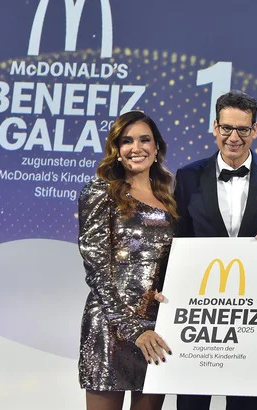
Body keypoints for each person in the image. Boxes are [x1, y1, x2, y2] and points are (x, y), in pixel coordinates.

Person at [174, 90, 257, 410]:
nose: (234, 137)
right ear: (215, 127)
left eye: (242, 129)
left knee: (244, 401)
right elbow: (179, 239)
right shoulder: (188, 176)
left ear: (255, 130)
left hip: (253, 308)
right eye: (227, 128)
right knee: (192, 400)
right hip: (199, 311)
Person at [78, 111, 177, 410]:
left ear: (156, 147)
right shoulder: (100, 192)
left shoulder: (169, 199)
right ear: (116, 149)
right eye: (127, 141)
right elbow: (97, 270)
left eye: (145, 140)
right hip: (111, 326)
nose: (137, 148)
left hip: (157, 327)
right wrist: (133, 328)